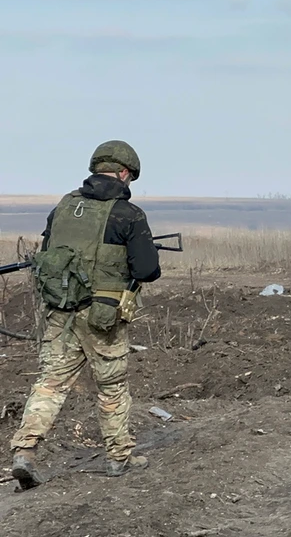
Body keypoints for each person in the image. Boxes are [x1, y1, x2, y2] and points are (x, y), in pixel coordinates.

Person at [10, 140, 161, 490]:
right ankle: (118, 457)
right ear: (124, 173)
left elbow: (48, 254)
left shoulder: (63, 207)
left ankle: (25, 451)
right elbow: (147, 269)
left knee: (50, 383)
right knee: (111, 387)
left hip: (60, 313)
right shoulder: (129, 215)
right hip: (102, 318)